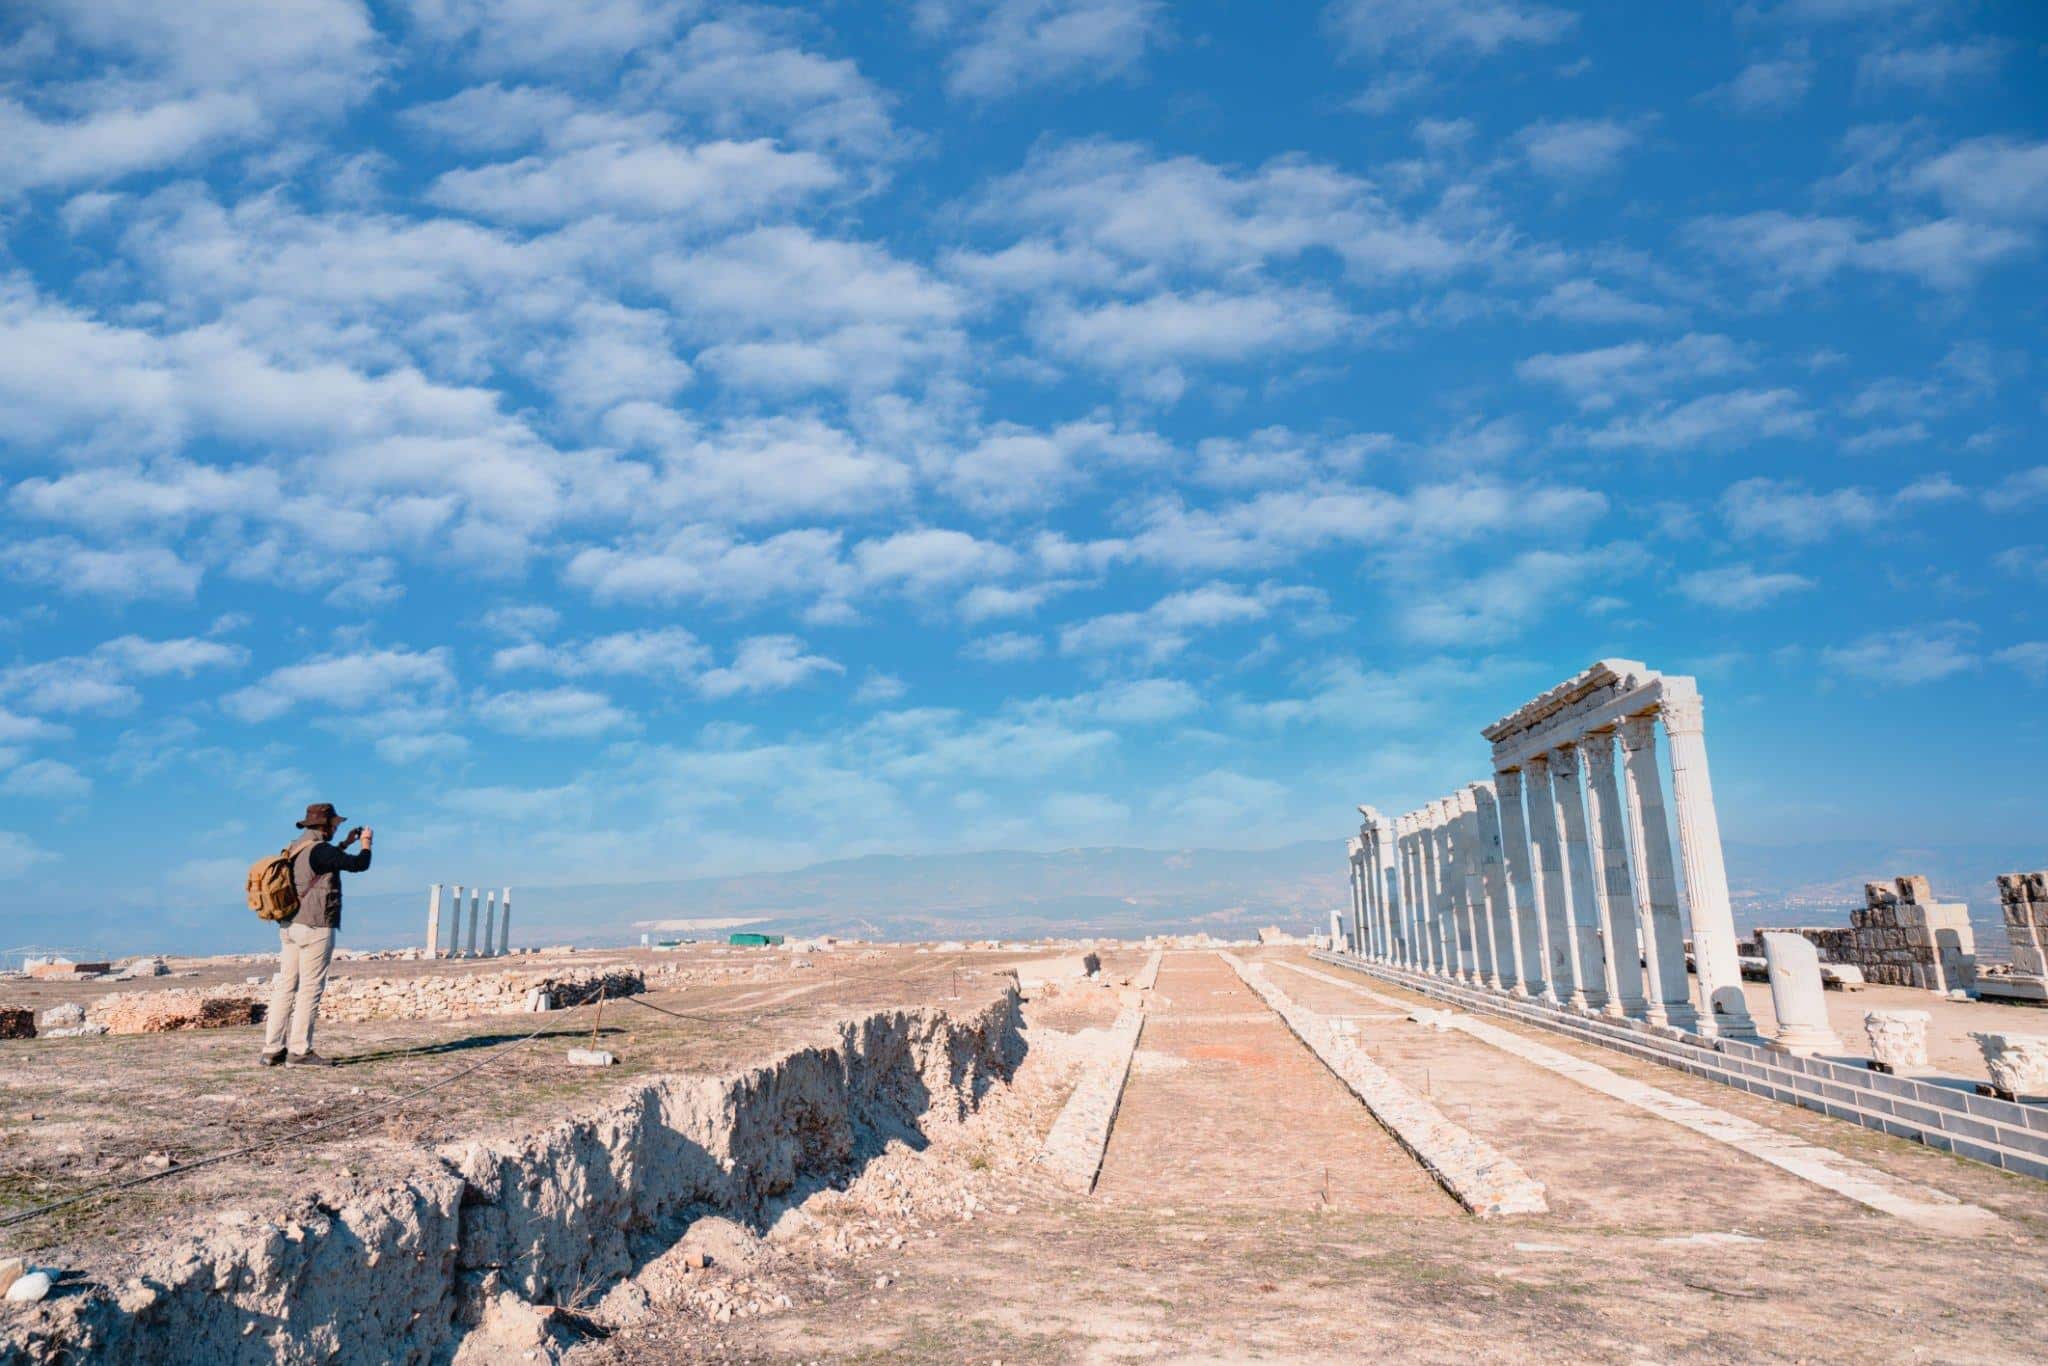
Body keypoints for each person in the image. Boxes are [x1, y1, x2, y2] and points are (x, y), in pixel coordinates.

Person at [261, 802, 372, 1067]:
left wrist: (345, 843)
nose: (336, 828)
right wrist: (366, 844)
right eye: (335, 824)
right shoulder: (320, 850)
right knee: (310, 988)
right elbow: (359, 865)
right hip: (315, 925)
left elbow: (325, 862)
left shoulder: (296, 847)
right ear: (325, 825)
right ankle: (299, 1051)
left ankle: (272, 1049)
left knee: (286, 986)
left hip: (289, 926)